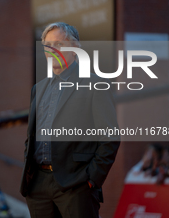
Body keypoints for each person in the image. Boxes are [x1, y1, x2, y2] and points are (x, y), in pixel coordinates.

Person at [20, 22, 120, 218]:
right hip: (38, 185)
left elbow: (110, 138)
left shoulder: (95, 85)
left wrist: (91, 179)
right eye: (47, 45)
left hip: (76, 185)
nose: (51, 50)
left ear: (75, 49)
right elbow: (31, 136)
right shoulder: (38, 89)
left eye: (58, 44)